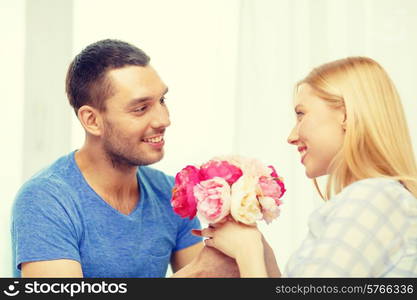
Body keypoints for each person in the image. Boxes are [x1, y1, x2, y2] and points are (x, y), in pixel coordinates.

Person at [11, 39, 232, 278]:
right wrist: (197, 272)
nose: (163, 120)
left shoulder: (169, 193)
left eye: (162, 101)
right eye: (140, 109)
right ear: (92, 120)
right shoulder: (46, 200)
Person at [200, 56, 417, 277]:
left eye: (301, 114)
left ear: (346, 114)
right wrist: (263, 254)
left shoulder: (373, 198)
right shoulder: (380, 201)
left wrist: (248, 252)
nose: (291, 137)